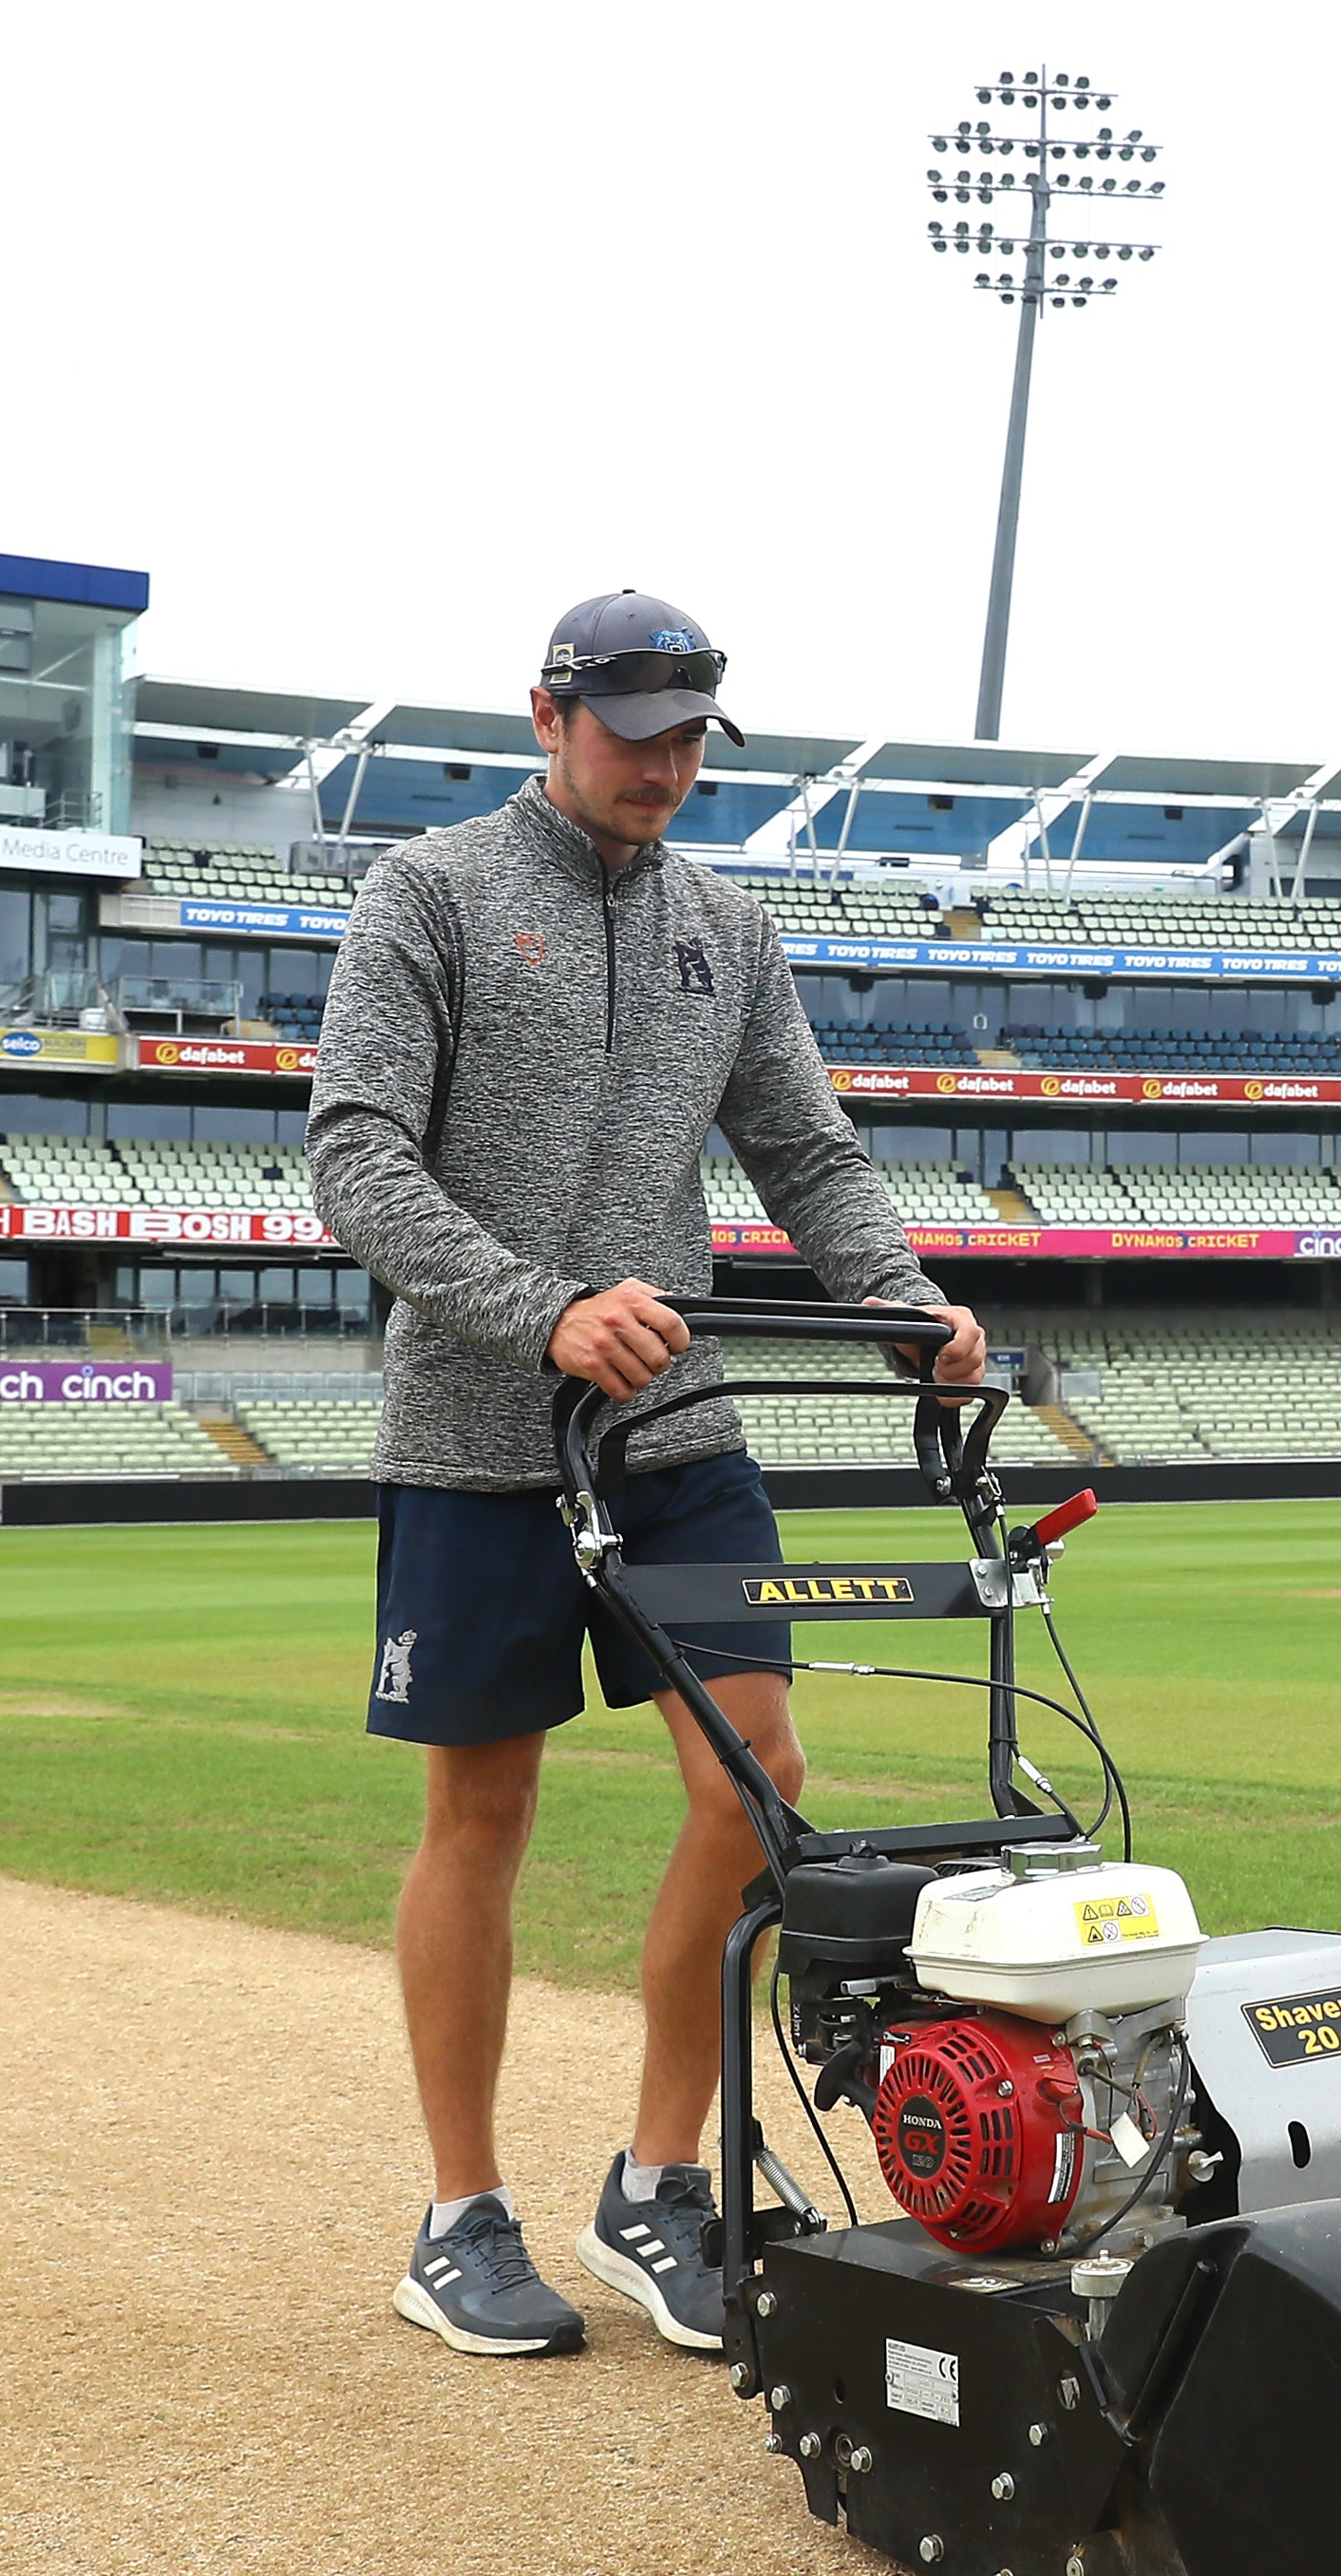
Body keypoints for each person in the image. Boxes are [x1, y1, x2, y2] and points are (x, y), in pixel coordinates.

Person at [304, 588, 984, 2359]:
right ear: (547, 716)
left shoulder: (727, 930)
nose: (667, 769)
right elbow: (356, 1164)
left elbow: (808, 1153)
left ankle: (657, 2181)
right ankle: (459, 2217)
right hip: (475, 1441)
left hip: (677, 1440)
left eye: (692, 738)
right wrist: (538, 1314)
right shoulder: (430, 895)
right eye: (636, 733)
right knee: (483, 1819)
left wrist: (907, 1306)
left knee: (754, 1782)